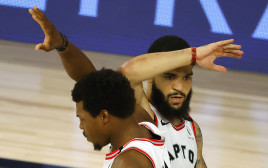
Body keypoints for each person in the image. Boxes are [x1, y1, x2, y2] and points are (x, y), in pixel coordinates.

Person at [29, 6, 243, 168]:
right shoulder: (138, 113)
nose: (179, 86)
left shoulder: (192, 130)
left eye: (187, 77)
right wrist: (194, 54)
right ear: (151, 77)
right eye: (169, 76)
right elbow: (117, 75)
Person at [72, 68, 170, 168]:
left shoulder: (127, 163)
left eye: (82, 119)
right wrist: (64, 51)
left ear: (104, 116)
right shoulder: (141, 120)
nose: (81, 126)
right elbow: (95, 84)